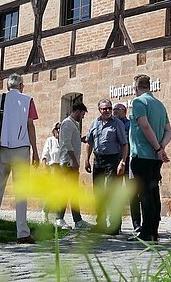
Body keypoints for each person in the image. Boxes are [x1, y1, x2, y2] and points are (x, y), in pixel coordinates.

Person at [0, 73, 39, 243]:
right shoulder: (28, 100)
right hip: (21, 149)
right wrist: (35, 151)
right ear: (21, 85)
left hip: (0, 148)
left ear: (7, 86)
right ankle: (22, 232)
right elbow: (30, 125)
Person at [129, 74, 171, 242]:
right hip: (155, 158)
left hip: (142, 155)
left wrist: (156, 147)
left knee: (145, 194)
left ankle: (146, 232)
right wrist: (161, 148)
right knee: (154, 193)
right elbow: (169, 131)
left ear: (136, 88)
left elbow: (145, 126)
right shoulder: (160, 105)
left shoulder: (139, 102)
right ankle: (153, 231)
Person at [85, 99, 129, 234]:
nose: (107, 111)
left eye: (109, 108)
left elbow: (124, 144)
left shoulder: (117, 124)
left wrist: (122, 162)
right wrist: (86, 159)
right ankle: (101, 223)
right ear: (99, 110)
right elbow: (89, 142)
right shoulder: (94, 123)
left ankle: (115, 225)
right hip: (98, 159)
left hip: (113, 160)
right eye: (104, 109)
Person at [55, 101, 89, 231]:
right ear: (78, 111)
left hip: (71, 163)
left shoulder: (73, 124)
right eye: (83, 114)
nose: (83, 116)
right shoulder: (68, 123)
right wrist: (74, 160)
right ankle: (59, 218)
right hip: (68, 163)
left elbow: (71, 140)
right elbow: (66, 143)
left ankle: (78, 220)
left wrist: (80, 139)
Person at [113, 102, 140, 233]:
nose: (114, 111)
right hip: (114, 162)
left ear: (124, 111)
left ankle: (136, 224)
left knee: (132, 194)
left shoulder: (129, 125)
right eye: (114, 109)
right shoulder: (111, 124)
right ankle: (116, 225)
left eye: (117, 109)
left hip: (129, 162)